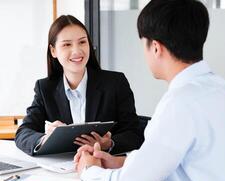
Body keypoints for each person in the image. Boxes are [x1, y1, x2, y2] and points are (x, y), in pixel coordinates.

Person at [74, 0, 225, 181]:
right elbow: (175, 157)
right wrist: (120, 162)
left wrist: (88, 170)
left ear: (156, 48)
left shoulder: (180, 104)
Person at [15, 15, 144, 156]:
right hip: (62, 173)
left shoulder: (115, 83)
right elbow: (23, 133)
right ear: (53, 51)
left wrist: (108, 143)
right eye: (67, 44)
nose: (76, 51)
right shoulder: (45, 88)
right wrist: (45, 139)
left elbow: (135, 134)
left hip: (102, 168)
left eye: (82, 42)